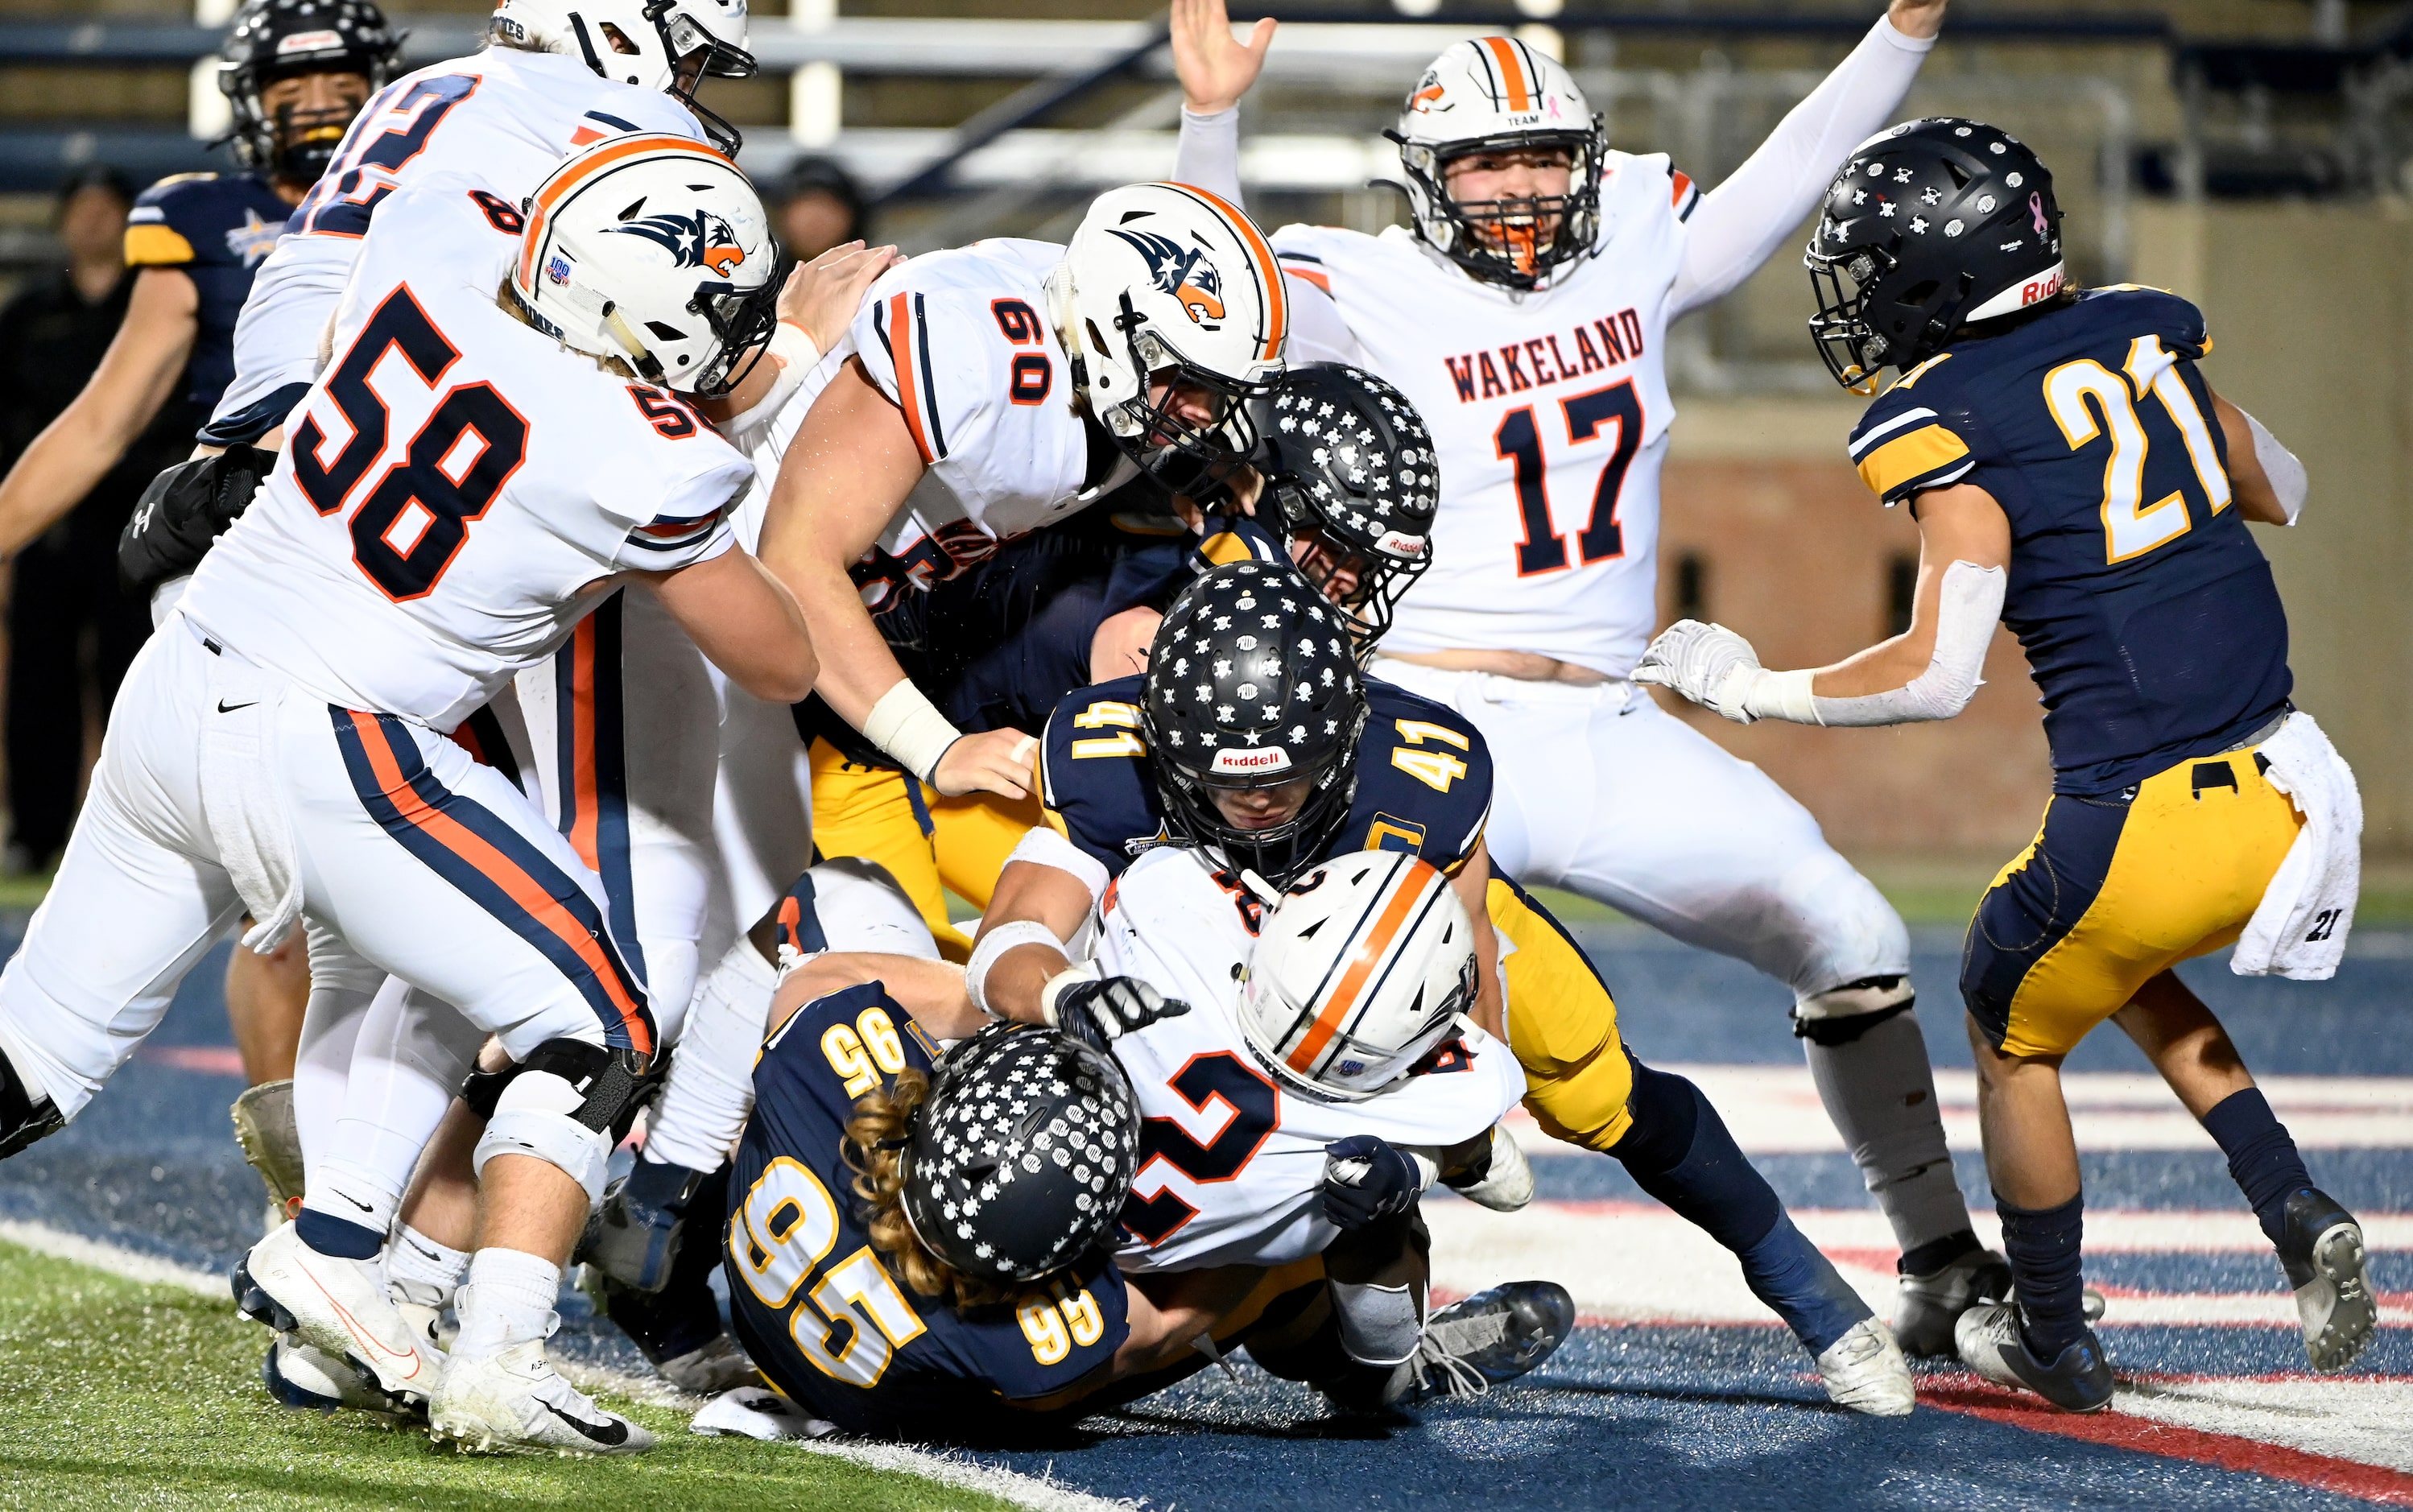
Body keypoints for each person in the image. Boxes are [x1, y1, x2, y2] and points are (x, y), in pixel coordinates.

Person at [1161, 0, 2002, 1354]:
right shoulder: (1366, 283)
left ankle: (1939, 1260)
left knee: (1850, 933)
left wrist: (1899, 30)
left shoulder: (1633, 242)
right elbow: (1224, 301)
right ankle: (1349, 1325)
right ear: (1424, 178)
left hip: (1610, 721)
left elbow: (1791, 168)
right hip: (1423, 713)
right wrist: (1213, 116)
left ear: (1588, 159)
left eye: (1543, 157)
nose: (1517, 189)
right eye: (1484, 164)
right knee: (1358, 1037)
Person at [0, 135, 809, 1456]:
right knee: (599, 1011)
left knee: (28, 1054)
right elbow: (780, 653)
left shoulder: (434, 246)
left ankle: (335, 1245)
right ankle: (495, 1352)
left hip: (180, 687)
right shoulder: (653, 452)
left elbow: (416, 228)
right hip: (335, 750)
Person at [1635, 117, 2378, 1412]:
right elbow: (2286, 490)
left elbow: (1933, 672)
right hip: (2293, 787)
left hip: (2140, 809)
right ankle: (2290, 1199)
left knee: (2003, 1012)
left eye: (1875, 269)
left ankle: (2049, 1332)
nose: (1865, 302)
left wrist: (1742, 686)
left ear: (1935, 273)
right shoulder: (2146, 331)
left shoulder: (1947, 413)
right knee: (2112, 966)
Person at [975, 562, 1919, 1414]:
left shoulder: (1420, 776)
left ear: (1344, 741)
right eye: (1222, 786)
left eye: (1287, 783)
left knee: (1599, 1088)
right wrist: (1057, 990)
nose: (1256, 808)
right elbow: (1015, 930)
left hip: (1393, 943)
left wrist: (1463, 1131)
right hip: (1210, 965)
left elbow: (1467, 948)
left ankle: (1810, 1292)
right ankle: (1352, 1354)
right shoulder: (1109, 763)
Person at [802, 360, 1440, 957]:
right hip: (874, 754)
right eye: (1336, 550)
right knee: (933, 1000)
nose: (1349, 584)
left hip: (1000, 753)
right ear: (1265, 492)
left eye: (1367, 563)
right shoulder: (1163, 608)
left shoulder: (1193, 511)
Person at [0, 168, 171, 876]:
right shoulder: (28, 312)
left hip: (139, 525)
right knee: (38, 681)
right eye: (83, 210)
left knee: (138, 679)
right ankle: (36, 834)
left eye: (109, 209)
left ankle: (142, 838)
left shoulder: (162, 305)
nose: (94, 222)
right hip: (51, 524)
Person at [767, 155, 868, 261]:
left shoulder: (874, 272)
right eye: (805, 208)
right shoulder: (763, 273)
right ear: (782, 216)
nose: (815, 222)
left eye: (828, 207)